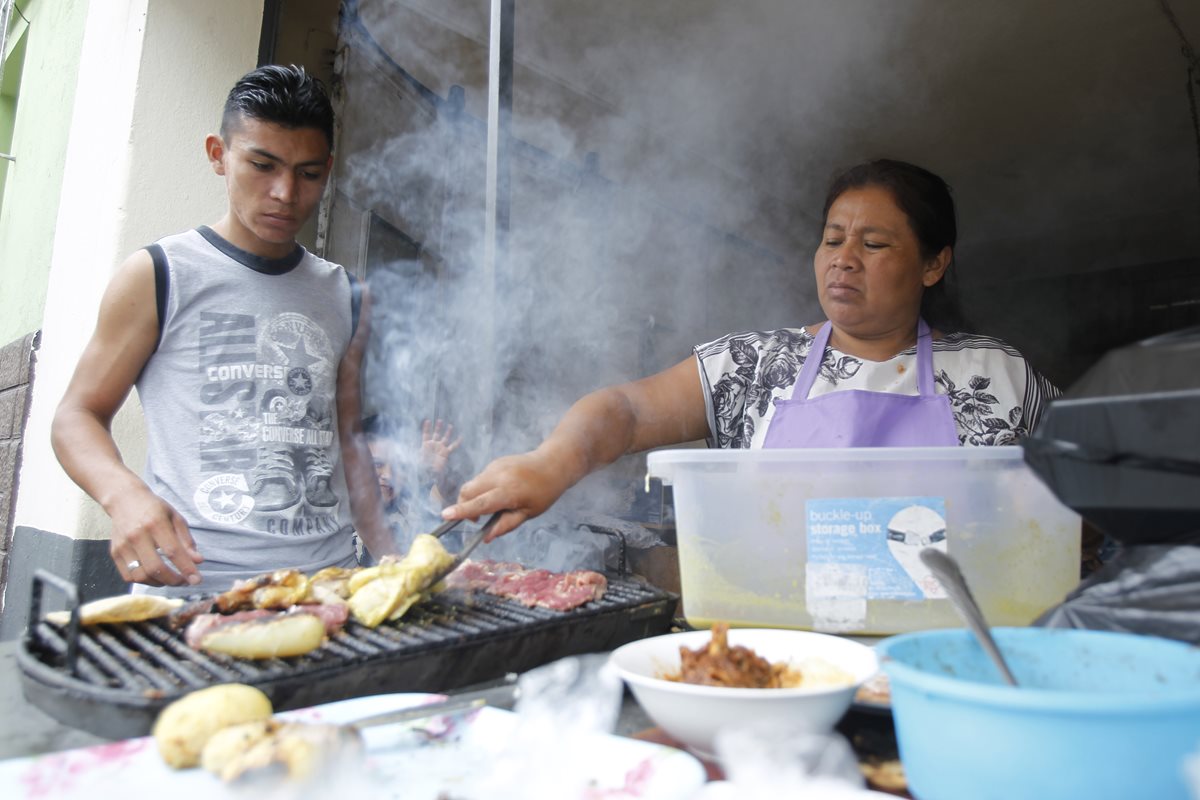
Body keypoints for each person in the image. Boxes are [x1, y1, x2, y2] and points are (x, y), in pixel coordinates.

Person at [441, 159, 1060, 541]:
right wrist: (551, 463)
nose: (844, 259)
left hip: (945, 648)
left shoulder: (997, 375)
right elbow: (627, 411)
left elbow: (1090, 482)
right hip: (777, 647)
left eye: (873, 244)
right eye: (833, 239)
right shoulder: (754, 365)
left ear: (933, 264)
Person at [51, 65, 394, 595]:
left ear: (327, 170)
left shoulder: (347, 295)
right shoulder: (159, 274)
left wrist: (394, 557)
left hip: (325, 586)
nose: (285, 193)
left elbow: (347, 442)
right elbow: (76, 416)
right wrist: (123, 495)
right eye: (262, 165)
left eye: (307, 173)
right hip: (192, 588)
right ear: (219, 154)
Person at [363, 415, 463, 555]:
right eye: (377, 464)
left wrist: (441, 474)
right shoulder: (342, 514)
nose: (388, 476)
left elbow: (445, 495)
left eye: (399, 466)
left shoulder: (413, 503)